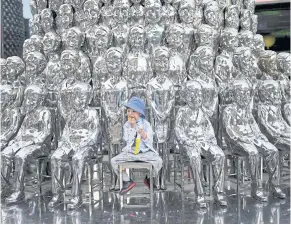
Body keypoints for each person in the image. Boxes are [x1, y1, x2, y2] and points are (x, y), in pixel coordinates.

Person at [111, 96, 163, 195]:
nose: (130, 114)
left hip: (144, 152)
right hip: (131, 152)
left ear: (139, 113)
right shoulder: (127, 125)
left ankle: (149, 178)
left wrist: (143, 135)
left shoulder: (146, 124)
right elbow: (126, 139)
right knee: (114, 161)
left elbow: (150, 140)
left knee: (159, 161)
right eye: (128, 111)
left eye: (133, 111)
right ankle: (127, 181)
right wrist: (132, 128)